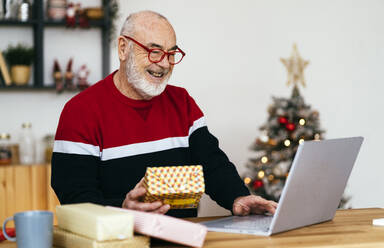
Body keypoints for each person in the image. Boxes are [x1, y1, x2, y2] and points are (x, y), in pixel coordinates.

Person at [51, 10, 277, 218]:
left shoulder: (182, 102)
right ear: (123, 48)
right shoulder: (80, 111)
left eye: (171, 53)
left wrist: (238, 197)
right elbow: (75, 199)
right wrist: (124, 209)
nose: (165, 64)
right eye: (154, 51)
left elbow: (212, 164)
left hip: (182, 239)